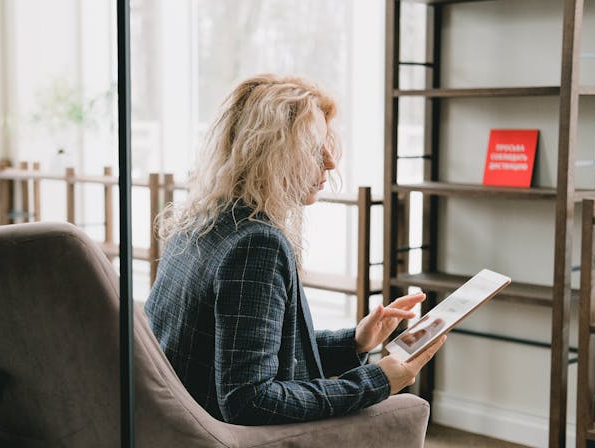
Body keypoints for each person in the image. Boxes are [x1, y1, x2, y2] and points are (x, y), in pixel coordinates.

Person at [144, 74, 445, 426]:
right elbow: (249, 400)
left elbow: (249, 350)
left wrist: (356, 342)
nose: (330, 162)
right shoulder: (256, 244)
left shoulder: (202, 220)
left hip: (177, 430)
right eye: (314, 146)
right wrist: (378, 380)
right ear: (269, 151)